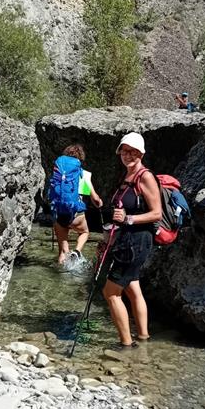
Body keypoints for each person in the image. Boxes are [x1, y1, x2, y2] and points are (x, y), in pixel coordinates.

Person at [102, 132, 162, 348]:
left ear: (141, 153)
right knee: (132, 288)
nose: (128, 155)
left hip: (136, 242)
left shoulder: (145, 177)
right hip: (127, 239)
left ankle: (126, 344)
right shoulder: (127, 177)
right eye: (124, 151)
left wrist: (128, 219)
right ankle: (143, 337)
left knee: (110, 292)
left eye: (133, 151)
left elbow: (157, 213)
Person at [52, 144, 103, 265]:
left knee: (62, 252)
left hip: (59, 213)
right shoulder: (84, 174)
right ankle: (77, 251)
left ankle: (62, 274)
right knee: (84, 232)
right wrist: (99, 203)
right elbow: (95, 199)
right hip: (76, 214)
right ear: (81, 159)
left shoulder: (59, 171)